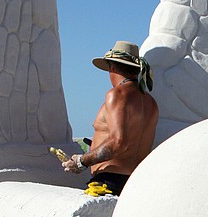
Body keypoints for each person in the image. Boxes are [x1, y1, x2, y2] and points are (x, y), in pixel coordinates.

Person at [62, 41, 159, 196]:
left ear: (112, 68)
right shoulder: (151, 103)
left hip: (109, 182)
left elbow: (118, 142)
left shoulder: (116, 94)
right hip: (134, 182)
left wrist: (82, 161)